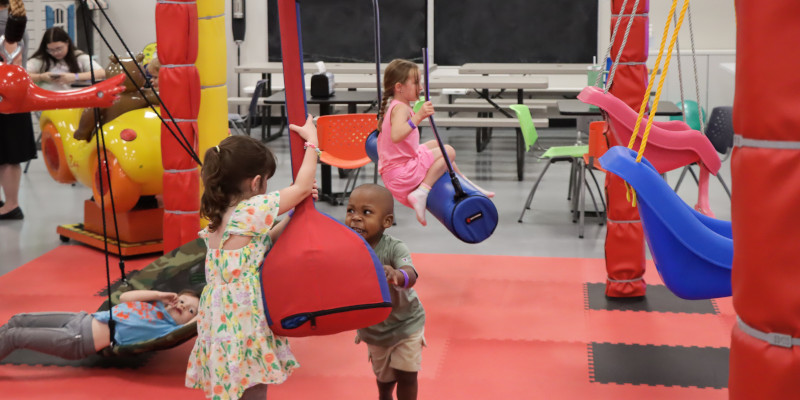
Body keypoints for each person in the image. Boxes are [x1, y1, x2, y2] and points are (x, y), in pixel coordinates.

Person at [186, 115, 320, 400]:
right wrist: (313, 143)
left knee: (233, 383)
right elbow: (302, 186)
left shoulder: (220, 216)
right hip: (244, 318)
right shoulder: (252, 210)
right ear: (257, 182)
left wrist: (294, 216)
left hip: (219, 319)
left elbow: (260, 244)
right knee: (254, 384)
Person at [376, 59, 494, 227]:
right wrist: (418, 117)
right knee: (449, 152)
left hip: (394, 172)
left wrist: (417, 115)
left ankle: (464, 182)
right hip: (401, 175)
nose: (421, 87)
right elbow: (396, 136)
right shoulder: (401, 108)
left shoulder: (397, 105)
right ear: (399, 87)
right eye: (416, 82)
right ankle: (422, 192)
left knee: (433, 144)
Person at [345, 184, 426, 400]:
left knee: (407, 376)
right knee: (385, 380)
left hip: (406, 323)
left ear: (386, 221)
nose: (356, 218)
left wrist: (397, 275)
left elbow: (411, 274)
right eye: (350, 210)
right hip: (374, 329)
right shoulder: (345, 248)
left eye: (366, 212)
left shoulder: (394, 247)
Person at [0, 289, 200, 361]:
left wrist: (202, 313)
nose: (183, 306)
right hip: (80, 318)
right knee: (18, 319)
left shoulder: (169, 330)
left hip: (78, 340)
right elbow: (125, 297)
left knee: (14, 336)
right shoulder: (154, 305)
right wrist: (160, 295)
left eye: (190, 310)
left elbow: (190, 327)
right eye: (182, 300)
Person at [0, 0, 35, 220]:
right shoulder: (12, 21)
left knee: (9, 154)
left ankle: (11, 204)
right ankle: (10, 202)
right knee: (6, 153)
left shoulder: (7, 25)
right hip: (12, 94)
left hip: (7, 96)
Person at [26, 27, 105, 92]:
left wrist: (75, 77)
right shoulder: (41, 60)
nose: (55, 53)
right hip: (47, 103)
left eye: (59, 49)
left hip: (75, 101)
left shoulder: (79, 57)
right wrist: (41, 77)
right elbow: (22, 75)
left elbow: (101, 72)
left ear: (67, 43)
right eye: (51, 50)